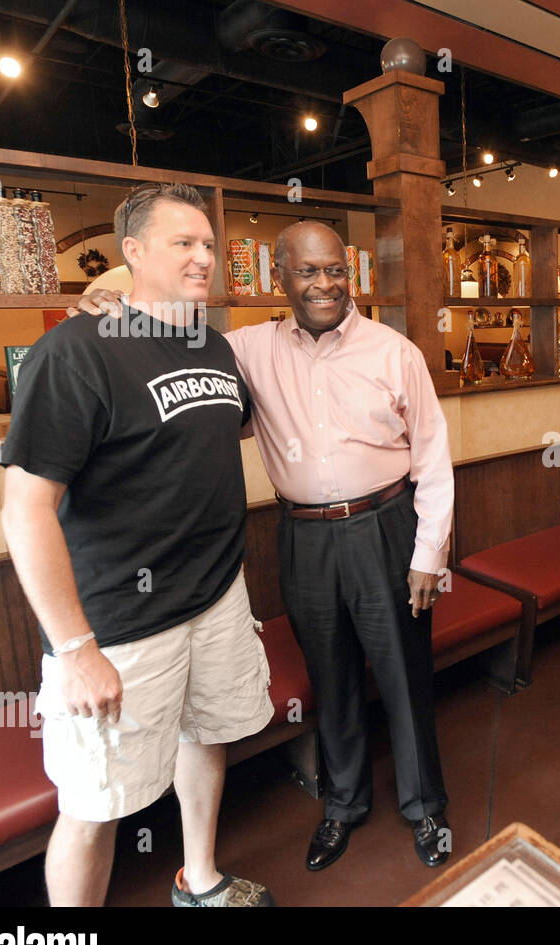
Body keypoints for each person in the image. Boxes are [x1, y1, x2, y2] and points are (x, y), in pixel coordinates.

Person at [76, 221, 455, 874]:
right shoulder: (243, 348)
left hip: (385, 529)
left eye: (335, 270)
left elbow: (435, 458)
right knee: (329, 678)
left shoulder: (395, 352)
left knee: (404, 674)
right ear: (280, 277)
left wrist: (428, 555)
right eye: (308, 271)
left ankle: (426, 810)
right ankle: (342, 805)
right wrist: (110, 300)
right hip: (302, 535)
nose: (324, 284)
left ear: (350, 274)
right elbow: (166, 342)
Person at [1, 182, 274, 907]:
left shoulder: (212, 345)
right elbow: (25, 507)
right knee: (93, 803)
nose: (203, 258)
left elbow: (226, 431)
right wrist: (76, 648)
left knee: (206, 735)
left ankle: (201, 878)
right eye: (183, 243)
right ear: (133, 253)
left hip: (215, 597)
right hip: (118, 623)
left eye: (209, 245)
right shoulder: (74, 350)